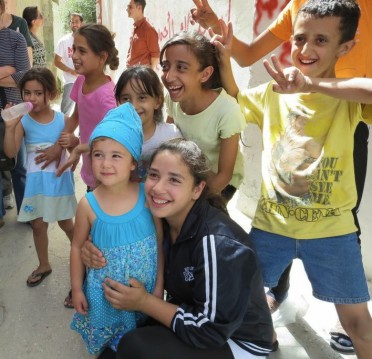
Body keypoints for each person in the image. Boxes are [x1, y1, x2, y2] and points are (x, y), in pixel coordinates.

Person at [191, 0, 371, 352]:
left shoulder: (348, 99)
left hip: (332, 232)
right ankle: (264, 337)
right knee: (244, 301)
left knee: (357, 324)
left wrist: (312, 85)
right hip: (272, 227)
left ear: (345, 48)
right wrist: (225, 60)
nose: (305, 49)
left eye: (321, 41)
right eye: (300, 38)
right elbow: (234, 101)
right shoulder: (273, 93)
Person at [80, 138, 275, 359]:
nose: (158, 188)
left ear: (197, 189)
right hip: (190, 309)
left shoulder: (219, 244)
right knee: (110, 354)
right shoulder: (160, 218)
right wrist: (90, 247)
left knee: (135, 346)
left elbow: (209, 331)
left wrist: (144, 302)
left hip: (236, 341)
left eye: (174, 180)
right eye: (154, 175)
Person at [70, 103, 163, 356]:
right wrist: (77, 289)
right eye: (98, 154)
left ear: (133, 162)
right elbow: (77, 247)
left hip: (144, 290)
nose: (105, 163)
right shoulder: (87, 205)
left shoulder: (147, 195)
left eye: (116, 155)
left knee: (140, 339)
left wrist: (158, 289)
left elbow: (159, 242)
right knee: (110, 346)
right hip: (105, 298)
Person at [3, 67, 76, 286]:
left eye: (38, 93)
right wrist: (9, 127)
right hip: (36, 183)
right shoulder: (23, 121)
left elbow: (75, 151)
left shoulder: (62, 119)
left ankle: (83, 255)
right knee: (37, 225)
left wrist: (72, 144)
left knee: (66, 224)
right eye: (27, 93)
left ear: (51, 94)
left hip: (58, 180)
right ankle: (44, 264)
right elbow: (10, 152)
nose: (32, 98)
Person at [160, 31, 245, 203]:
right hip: (189, 173)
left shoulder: (226, 110)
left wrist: (190, 200)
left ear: (205, 74)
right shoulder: (172, 99)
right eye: (165, 66)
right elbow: (170, 141)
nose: (168, 77)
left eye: (181, 67)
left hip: (220, 182)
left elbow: (224, 176)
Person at [114, 65, 182, 180]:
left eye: (142, 98)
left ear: (157, 101)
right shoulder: (114, 137)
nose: (134, 106)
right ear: (118, 103)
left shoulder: (171, 136)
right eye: (126, 99)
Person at [1, 0, 33, 216]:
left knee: (19, 166)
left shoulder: (15, 38)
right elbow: (16, 73)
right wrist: (6, 70)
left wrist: (14, 73)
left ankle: (26, 212)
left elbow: (24, 76)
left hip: (13, 109)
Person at [54, 12, 83, 115]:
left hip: (85, 80)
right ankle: (62, 130)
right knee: (65, 112)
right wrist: (71, 71)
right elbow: (56, 61)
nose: (74, 24)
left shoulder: (87, 40)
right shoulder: (64, 41)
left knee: (84, 111)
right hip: (70, 81)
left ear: (82, 23)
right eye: (72, 21)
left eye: (76, 22)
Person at [126, 0, 160, 70]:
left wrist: (146, 74)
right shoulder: (135, 27)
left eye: (130, 7)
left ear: (139, 8)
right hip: (131, 73)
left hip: (141, 76)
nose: (127, 9)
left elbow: (155, 56)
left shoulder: (149, 30)